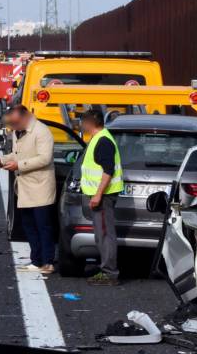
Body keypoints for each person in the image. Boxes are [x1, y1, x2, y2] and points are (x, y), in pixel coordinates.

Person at [0, 105, 56, 275]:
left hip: (41, 186)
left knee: (43, 226)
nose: (13, 127)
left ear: (25, 117)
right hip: (25, 187)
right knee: (29, 225)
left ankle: (47, 262)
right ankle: (36, 260)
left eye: (15, 123)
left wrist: (19, 165)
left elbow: (45, 158)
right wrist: (0, 160)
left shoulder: (41, 131)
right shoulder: (18, 132)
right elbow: (16, 155)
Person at [80, 109, 124, 286]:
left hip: (104, 196)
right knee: (102, 234)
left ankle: (109, 273)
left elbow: (108, 170)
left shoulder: (103, 140)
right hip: (101, 195)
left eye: (83, 122)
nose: (81, 126)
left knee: (105, 235)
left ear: (90, 123)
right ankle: (106, 270)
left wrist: (98, 194)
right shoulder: (99, 138)